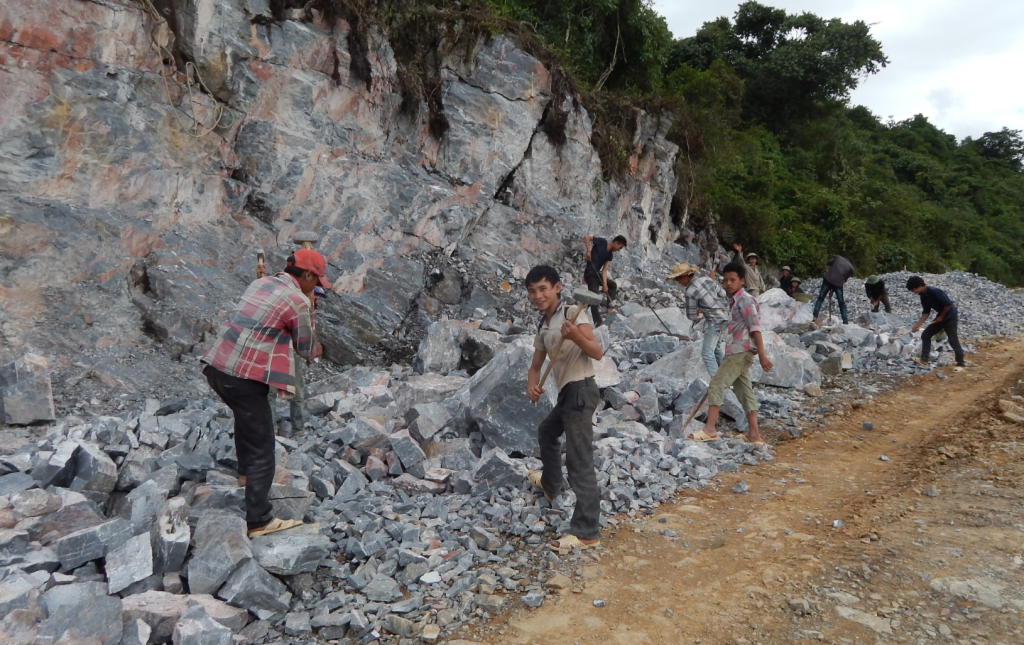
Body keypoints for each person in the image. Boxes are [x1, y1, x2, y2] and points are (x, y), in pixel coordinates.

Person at [201, 249, 330, 537]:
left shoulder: (261, 283)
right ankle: (259, 519)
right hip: (243, 378)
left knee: (247, 422)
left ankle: (245, 478)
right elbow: (307, 350)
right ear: (308, 275)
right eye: (317, 281)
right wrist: (313, 322)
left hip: (217, 368)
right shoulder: (297, 301)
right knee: (263, 448)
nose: (317, 287)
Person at [524, 266, 604, 554]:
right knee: (546, 430)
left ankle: (586, 532)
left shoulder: (574, 314)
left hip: (581, 389)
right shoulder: (543, 326)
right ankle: (551, 484)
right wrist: (532, 386)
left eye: (543, 288)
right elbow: (535, 367)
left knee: (579, 460)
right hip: (567, 393)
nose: (538, 295)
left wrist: (576, 337)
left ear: (557, 287)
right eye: (532, 291)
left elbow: (597, 352)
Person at [689, 262, 773, 445]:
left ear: (742, 281)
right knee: (745, 391)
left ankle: (710, 430)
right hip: (735, 351)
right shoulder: (731, 301)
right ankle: (754, 436)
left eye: (732, 280)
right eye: (725, 280)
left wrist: (762, 354)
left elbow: (755, 329)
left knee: (717, 384)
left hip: (740, 352)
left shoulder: (746, 300)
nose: (728, 283)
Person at [666, 262, 728, 376]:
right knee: (717, 349)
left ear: (684, 277)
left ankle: (717, 384)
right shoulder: (707, 279)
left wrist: (700, 312)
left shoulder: (690, 292)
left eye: (678, 279)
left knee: (707, 353)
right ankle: (728, 377)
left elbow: (691, 316)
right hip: (725, 317)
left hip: (714, 321)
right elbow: (723, 294)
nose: (677, 282)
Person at [907, 276, 966, 368]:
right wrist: (917, 324)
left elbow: (948, 305)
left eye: (913, 290)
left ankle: (960, 362)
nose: (913, 292)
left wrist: (941, 317)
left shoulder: (934, 291)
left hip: (950, 317)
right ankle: (924, 360)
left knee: (953, 340)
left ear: (918, 286)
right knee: (926, 335)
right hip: (940, 317)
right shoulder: (923, 296)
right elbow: (926, 312)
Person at [583, 234, 627, 326]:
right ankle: (598, 322)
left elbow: (604, 270)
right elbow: (587, 237)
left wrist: (605, 284)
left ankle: (609, 308)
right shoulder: (602, 242)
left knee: (613, 285)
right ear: (616, 243)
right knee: (593, 298)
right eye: (620, 247)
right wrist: (588, 251)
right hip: (590, 274)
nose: (619, 250)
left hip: (597, 274)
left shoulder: (610, 255)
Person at [812, 255, 854, 325]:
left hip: (827, 279)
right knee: (841, 302)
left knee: (820, 298)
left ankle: (815, 316)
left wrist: (830, 270)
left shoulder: (838, 257)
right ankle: (845, 321)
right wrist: (833, 290)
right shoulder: (851, 268)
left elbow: (828, 264)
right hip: (838, 283)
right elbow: (844, 280)